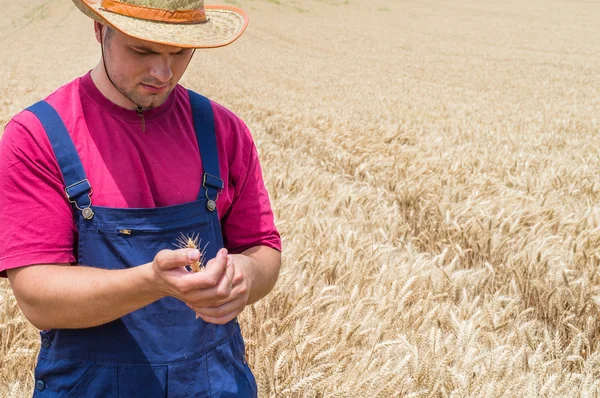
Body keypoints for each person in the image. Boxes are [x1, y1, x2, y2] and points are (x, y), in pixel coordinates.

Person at [0, 0, 281, 396]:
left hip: (214, 383)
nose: (163, 73)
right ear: (100, 32)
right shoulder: (37, 137)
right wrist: (151, 282)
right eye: (143, 50)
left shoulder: (224, 130)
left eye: (180, 52)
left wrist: (245, 276)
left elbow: (263, 248)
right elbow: (37, 298)